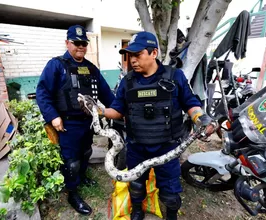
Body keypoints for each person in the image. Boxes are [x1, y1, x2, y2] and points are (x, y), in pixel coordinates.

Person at [78, 31, 216, 220]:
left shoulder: (175, 76)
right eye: (130, 56)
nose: (132, 60)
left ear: (154, 53)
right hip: (137, 147)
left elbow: (191, 104)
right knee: (136, 186)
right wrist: (98, 110)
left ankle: (171, 216)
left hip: (167, 148)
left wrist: (201, 119)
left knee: (170, 193)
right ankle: (137, 211)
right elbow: (117, 111)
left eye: (137, 54)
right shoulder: (127, 82)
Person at [36, 25, 115, 216]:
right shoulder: (56, 65)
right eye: (76, 43)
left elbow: (105, 93)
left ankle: (81, 176)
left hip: (87, 121)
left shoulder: (90, 68)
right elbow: (42, 92)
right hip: (67, 123)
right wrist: (53, 116)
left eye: (83, 44)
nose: (80, 47)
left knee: (86, 151)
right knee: (71, 160)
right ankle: (72, 193)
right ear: (67, 43)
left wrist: (118, 109)